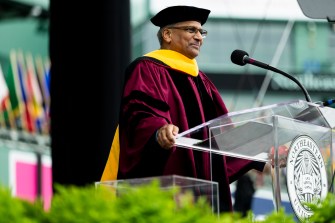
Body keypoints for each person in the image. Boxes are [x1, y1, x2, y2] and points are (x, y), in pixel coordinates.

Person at [101, 5, 266, 212]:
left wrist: (260, 155)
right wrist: (158, 130)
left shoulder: (202, 81)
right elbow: (139, 112)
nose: (199, 37)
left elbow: (222, 133)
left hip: (204, 192)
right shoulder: (146, 68)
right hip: (166, 186)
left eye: (201, 32)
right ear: (168, 34)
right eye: (191, 30)